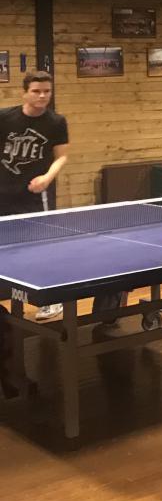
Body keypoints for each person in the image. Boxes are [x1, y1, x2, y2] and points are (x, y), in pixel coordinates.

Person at [0, 70, 69, 320]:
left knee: (39, 247)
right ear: (25, 93)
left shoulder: (56, 122)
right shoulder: (5, 118)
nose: (42, 96)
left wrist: (47, 178)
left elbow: (61, 157)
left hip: (33, 195)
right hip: (2, 191)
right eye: (36, 91)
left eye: (46, 91)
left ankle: (50, 301)